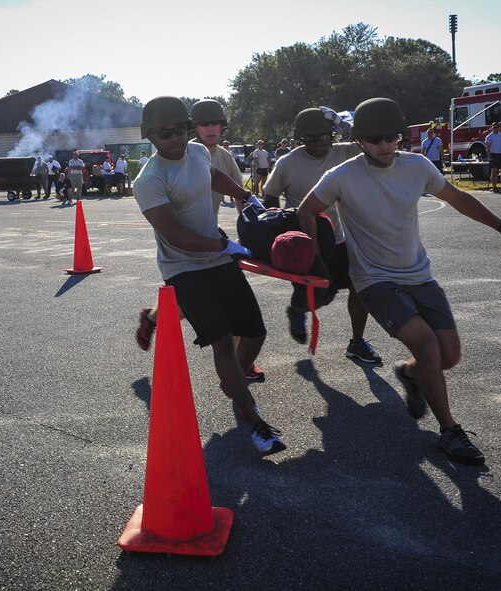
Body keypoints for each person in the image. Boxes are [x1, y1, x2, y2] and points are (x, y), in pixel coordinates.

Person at [297, 97, 501, 465]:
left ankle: (411, 374)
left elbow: (457, 197)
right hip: (374, 279)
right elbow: (307, 210)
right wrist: (315, 258)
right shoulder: (342, 176)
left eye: (391, 136)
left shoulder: (417, 166)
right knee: (427, 345)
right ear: (360, 139)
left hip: (419, 274)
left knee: (448, 356)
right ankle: (450, 432)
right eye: (374, 138)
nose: (384, 144)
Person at [133, 95, 285, 457]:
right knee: (221, 340)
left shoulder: (200, 153)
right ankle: (253, 421)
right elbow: (174, 234)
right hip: (184, 268)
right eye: (165, 132)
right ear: (151, 136)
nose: (175, 137)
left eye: (182, 129)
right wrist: (226, 248)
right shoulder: (149, 179)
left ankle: (233, 383)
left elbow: (213, 175)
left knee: (255, 332)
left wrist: (247, 198)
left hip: (217, 256)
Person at [136, 99, 266, 381]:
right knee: (208, 316)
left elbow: (225, 185)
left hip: (211, 240)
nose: (209, 128)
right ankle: (234, 369)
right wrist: (226, 246)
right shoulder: (156, 173)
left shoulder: (214, 155)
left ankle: (236, 368)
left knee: (211, 311)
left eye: (214, 123)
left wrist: (253, 213)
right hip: (188, 252)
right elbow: (175, 233)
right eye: (203, 124)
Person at [263, 107, 381, 363]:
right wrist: (275, 224)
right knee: (322, 295)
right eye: (309, 138)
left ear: (333, 135)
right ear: (300, 138)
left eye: (322, 136)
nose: (316, 142)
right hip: (307, 242)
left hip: (346, 237)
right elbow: (270, 195)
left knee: (359, 287)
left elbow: (375, 146)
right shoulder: (288, 163)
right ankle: (297, 310)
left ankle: (357, 342)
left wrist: (347, 126)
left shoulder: (346, 151)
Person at [484, 122, 501, 193]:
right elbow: (487, 148)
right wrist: (489, 157)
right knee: (494, 172)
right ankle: (494, 187)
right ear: (492, 128)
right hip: (494, 155)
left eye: (497, 127)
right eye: (494, 127)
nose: (496, 129)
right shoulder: (489, 137)